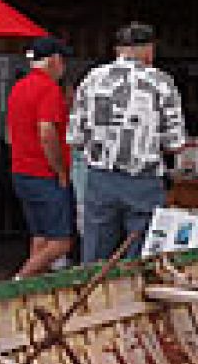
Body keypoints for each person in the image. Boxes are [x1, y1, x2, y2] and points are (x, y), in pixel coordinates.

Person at [69, 22, 187, 263]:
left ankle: (94, 298)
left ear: (118, 50)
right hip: (144, 181)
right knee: (141, 257)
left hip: (101, 179)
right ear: (147, 50)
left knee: (95, 255)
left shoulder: (91, 79)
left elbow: (75, 138)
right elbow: (175, 143)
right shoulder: (162, 82)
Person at [6, 37, 74, 278]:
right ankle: (19, 281)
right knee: (61, 242)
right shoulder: (49, 90)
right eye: (62, 60)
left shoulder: (17, 88)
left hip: (21, 170)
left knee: (41, 236)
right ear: (54, 60)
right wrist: (61, 171)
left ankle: (31, 287)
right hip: (44, 173)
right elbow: (47, 132)